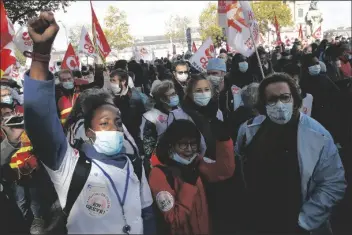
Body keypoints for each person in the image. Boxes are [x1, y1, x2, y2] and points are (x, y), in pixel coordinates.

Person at [23, 11, 155, 234]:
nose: (114, 128)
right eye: (104, 123)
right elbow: (40, 121)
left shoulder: (134, 165)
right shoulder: (70, 167)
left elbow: (148, 215)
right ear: (89, 131)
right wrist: (41, 54)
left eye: (118, 122)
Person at [235, 73, 346, 234]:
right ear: (263, 103)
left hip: (299, 224)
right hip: (258, 221)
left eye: (285, 97)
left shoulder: (317, 134)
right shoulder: (248, 130)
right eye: (272, 99)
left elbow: (333, 182)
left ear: (295, 99)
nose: (279, 104)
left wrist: (305, 221)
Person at [149, 120, 235, 235]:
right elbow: (174, 219)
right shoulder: (159, 174)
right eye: (183, 144)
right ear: (172, 145)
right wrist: (188, 186)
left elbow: (224, 171)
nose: (189, 149)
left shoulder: (197, 163)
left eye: (193, 144)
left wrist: (223, 141)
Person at [300, 54, 342, 143]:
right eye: (313, 64)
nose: (316, 66)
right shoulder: (302, 82)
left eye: (317, 63)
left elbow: (337, 93)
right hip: (314, 116)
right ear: (306, 66)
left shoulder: (324, 78)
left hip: (328, 112)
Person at [140, 80, 179, 171]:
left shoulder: (180, 112)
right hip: (161, 163)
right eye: (171, 95)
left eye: (175, 93)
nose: (175, 96)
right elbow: (148, 147)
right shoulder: (150, 117)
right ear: (162, 99)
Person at [109, 69, 146, 155]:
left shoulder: (134, 99)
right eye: (110, 80)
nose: (111, 83)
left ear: (123, 81)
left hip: (132, 139)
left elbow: (136, 122)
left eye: (114, 80)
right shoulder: (116, 96)